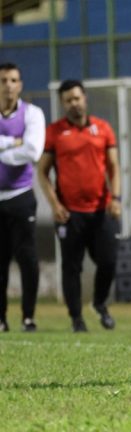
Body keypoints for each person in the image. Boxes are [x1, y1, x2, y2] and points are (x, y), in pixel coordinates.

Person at [38, 79, 121, 333]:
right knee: (71, 267)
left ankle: (99, 303)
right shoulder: (55, 132)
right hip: (69, 214)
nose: (74, 103)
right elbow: (42, 172)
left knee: (108, 261)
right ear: (63, 104)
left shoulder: (103, 128)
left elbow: (113, 166)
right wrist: (54, 205)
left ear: (85, 98)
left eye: (77, 98)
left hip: (101, 210)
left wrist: (116, 199)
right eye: (68, 100)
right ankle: (76, 318)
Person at [0, 63, 45, 332]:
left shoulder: (33, 113)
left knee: (27, 259)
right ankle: (1, 318)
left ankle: (28, 316)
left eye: (13, 80)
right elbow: (22, 147)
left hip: (21, 195)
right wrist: (12, 142)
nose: (8, 85)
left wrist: (3, 149)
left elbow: (33, 151)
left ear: (20, 85)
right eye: (3, 80)